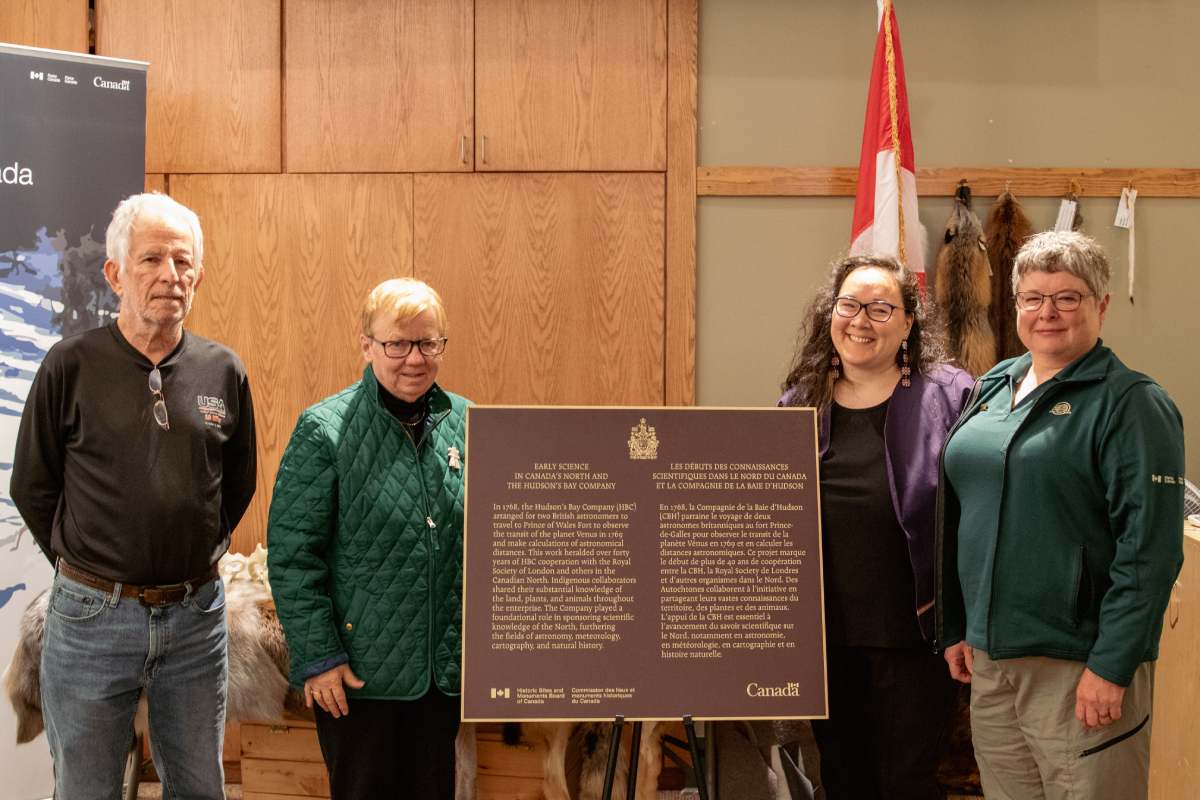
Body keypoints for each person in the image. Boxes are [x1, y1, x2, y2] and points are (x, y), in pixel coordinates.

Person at [11, 192, 257, 799]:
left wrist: (192, 552)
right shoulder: (69, 365)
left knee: (199, 787)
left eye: (182, 262)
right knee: (87, 788)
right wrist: (91, 568)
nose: (169, 276)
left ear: (198, 274)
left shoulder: (224, 371)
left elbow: (238, 484)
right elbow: (33, 487)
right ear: (116, 273)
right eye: (151, 260)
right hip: (90, 620)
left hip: (196, 621)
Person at [939, 230, 1185, 800]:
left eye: (1068, 297)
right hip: (991, 660)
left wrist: (1113, 665)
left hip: (1079, 665)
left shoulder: (1132, 404)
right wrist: (960, 625)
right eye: (1033, 297)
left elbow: (1149, 550)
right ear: (1016, 305)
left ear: (1099, 305)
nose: (1047, 312)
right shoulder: (995, 385)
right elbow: (965, 512)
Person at [779, 254, 973, 799]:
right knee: (842, 779)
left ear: (909, 322)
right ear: (830, 313)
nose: (860, 320)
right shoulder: (800, 403)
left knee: (905, 782)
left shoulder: (949, 396)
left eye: (881, 308)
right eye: (849, 305)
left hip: (916, 636)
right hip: (824, 640)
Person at [268, 277, 469, 800]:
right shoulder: (325, 429)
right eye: (397, 344)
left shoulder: (468, 424)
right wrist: (319, 657)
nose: (414, 358)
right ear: (366, 345)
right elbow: (293, 557)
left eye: (428, 343)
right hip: (357, 679)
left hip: (440, 675)